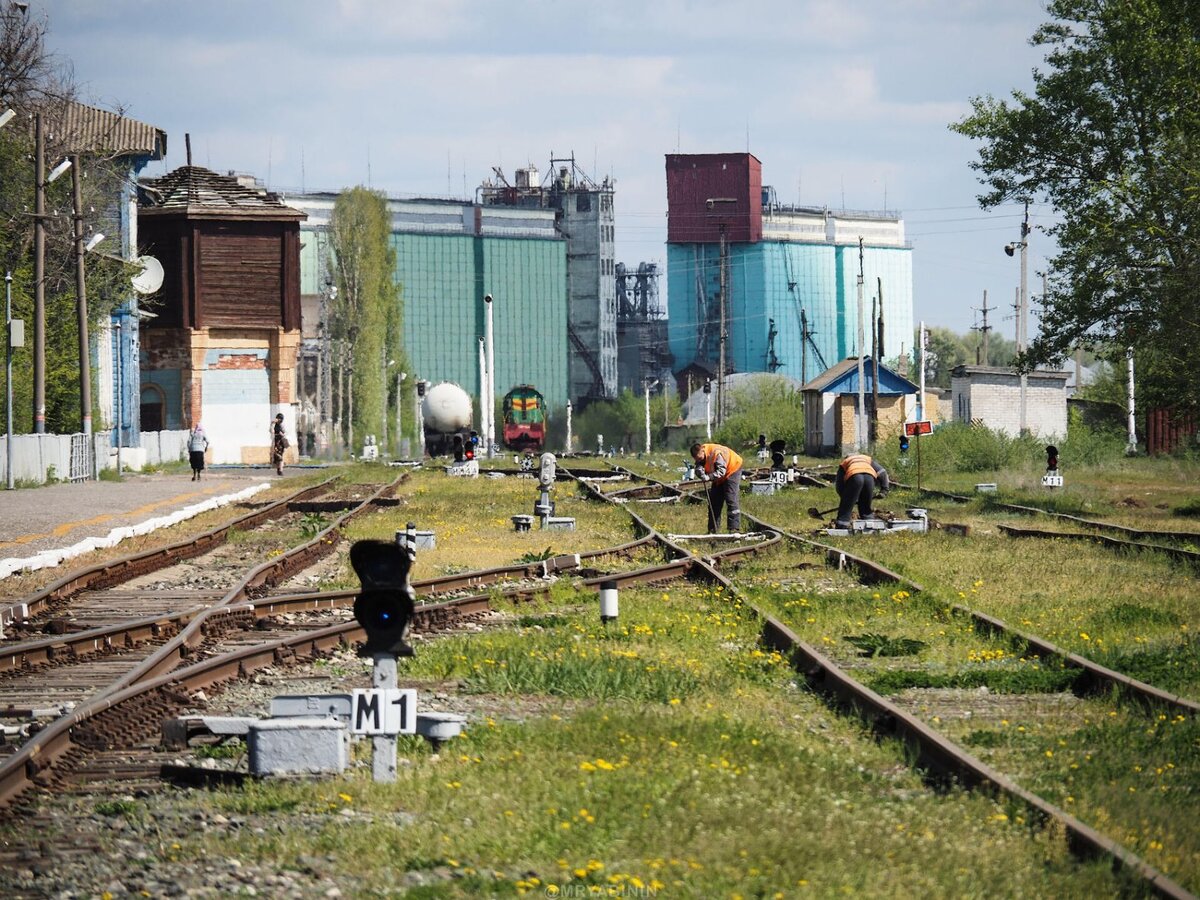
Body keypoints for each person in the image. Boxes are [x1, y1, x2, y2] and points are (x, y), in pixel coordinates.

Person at [690, 441, 744, 533]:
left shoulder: (716, 454)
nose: (699, 461)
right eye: (697, 460)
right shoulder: (701, 456)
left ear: (702, 451)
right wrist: (699, 471)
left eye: (700, 458)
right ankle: (713, 530)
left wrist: (708, 477)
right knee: (714, 501)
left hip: (732, 469)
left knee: (731, 499)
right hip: (718, 477)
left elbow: (721, 472)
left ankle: (734, 529)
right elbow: (701, 464)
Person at [834, 453, 890, 528]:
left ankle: (842, 525)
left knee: (846, 506)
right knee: (865, 505)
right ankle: (869, 524)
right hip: (869, 478)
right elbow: (882, 472)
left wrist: (847, 498)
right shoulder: (867, 459)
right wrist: (884, 490)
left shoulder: (845, 462)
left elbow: (839, 485)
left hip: (855, 477)